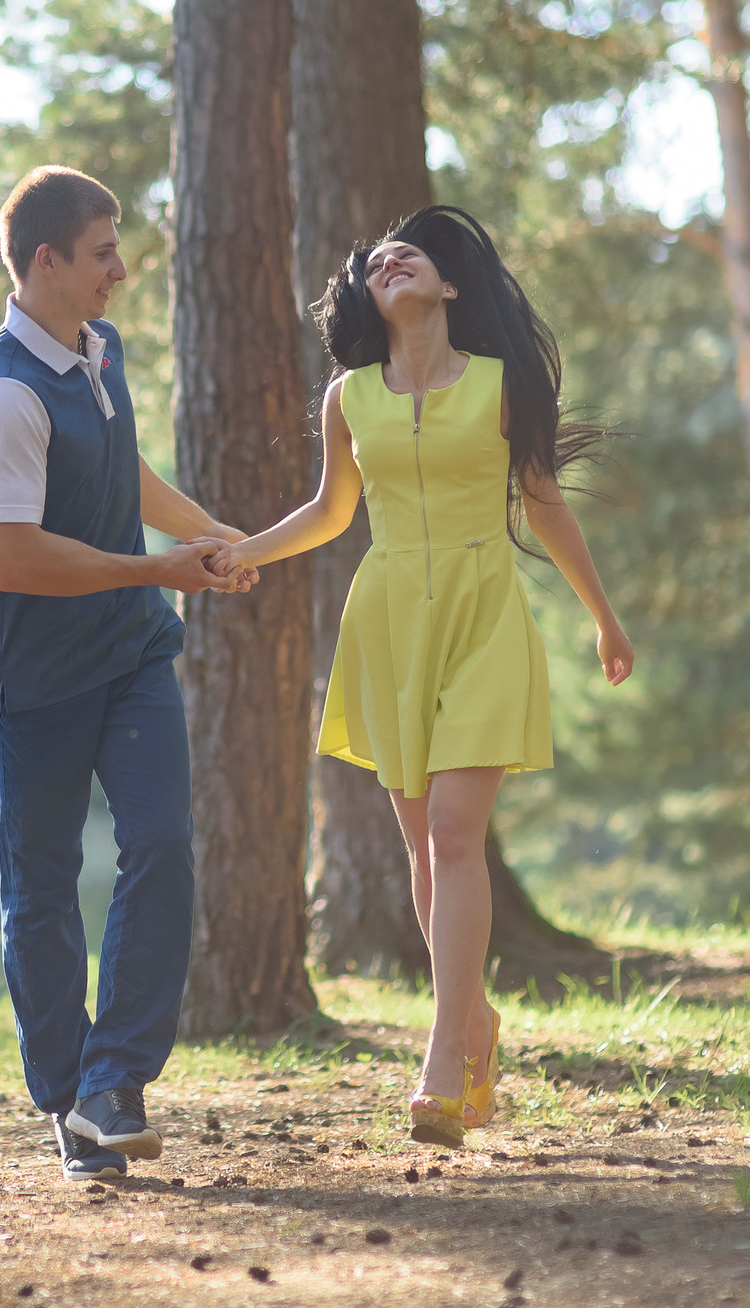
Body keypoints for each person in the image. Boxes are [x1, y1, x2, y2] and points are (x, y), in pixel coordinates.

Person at [207, 205, 633, 1149]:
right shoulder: (348, 398)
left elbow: (546, 504)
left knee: (453, 830)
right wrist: (244, 551)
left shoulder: (499, 387)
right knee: (423, 848)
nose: (392, 257)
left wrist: (603, 616)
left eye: (416, 252)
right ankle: (475, 1020)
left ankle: (444, 1045)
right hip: (390, 619)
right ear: (370, 296)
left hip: (484, 612)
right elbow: (327, 511)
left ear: (448, 287)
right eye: (376, 258)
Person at [0, 165, 255, 1184]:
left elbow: (118, 468)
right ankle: (66, 1096)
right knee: (39, 889)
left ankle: (114, 1081)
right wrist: (153, 566)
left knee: (161, 841)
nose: (119, 271)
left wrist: (205, 532)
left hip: (128, 653)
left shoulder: (98, 348)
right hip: (31, 678)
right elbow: (14, 557)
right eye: (101, 253)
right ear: (45, 261)